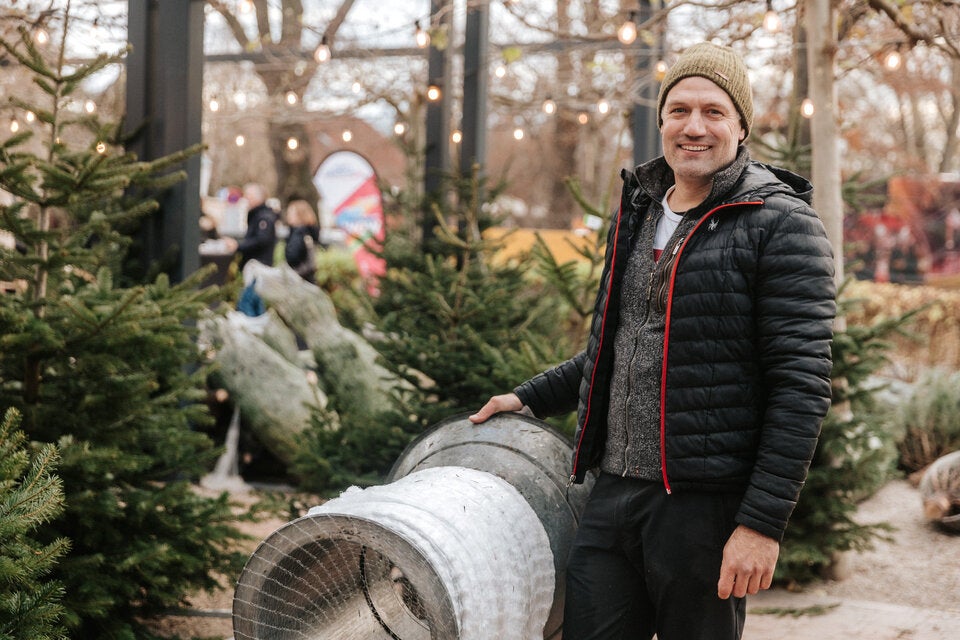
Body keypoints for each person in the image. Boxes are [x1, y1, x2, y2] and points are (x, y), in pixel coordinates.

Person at [470, 42, 836, 640]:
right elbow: (624, 346)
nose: (695, 127)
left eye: (714, 112)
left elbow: (801, 386)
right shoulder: (638, 208)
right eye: (680, 110)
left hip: (704, 508)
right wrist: (529, 398)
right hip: (612, 494)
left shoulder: (780, 222)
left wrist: (761, 525)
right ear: (661, 120)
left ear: (741, 126)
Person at [234, 182, 278, 269]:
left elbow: (261, 240)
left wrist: (238, 246)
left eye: (248, 197)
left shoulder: (264, 217)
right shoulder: (256, 215)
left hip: (259, 265)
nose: (246, 200)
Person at [283, 198, 322, 283]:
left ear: (300, 215)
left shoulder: (300, 233)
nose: (288, 216)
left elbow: (293, 256)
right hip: (307, 277)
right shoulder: (309, 231)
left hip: (300, 278)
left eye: (291, 213)